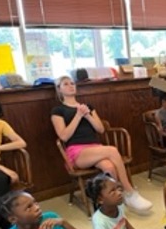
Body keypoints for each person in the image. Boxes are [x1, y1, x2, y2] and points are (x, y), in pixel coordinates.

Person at [51, 75, 152, 212]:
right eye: (66, 84)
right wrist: (78, 116)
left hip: (95, 148)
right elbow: (63, 136)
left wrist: (87, 115)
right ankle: (129, 192)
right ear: (59, 89)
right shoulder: (58, 110)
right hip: (77, 151)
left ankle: (115, 202)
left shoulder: (87, 107)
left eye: (72, 83)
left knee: (109, 167)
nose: (71, 86)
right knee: (112, 150)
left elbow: (100, 129)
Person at [0, 102, 27, 229]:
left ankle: (7, 226)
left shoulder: (0, 124)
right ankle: (4, 226)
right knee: (1, 179)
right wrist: (3, 168)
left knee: (3, 180)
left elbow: (21, 143)